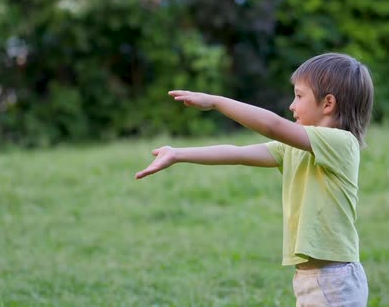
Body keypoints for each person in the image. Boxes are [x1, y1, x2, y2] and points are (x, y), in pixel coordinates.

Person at [135, 52, 374, 306]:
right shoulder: (296, 148)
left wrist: (216, 102)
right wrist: (178, 154)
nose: (292, 105)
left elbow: (272, 125)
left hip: (335, 281)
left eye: (299, 96)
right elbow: (237, 153)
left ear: (328, 104)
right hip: (310, 278)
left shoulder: (341, 143)